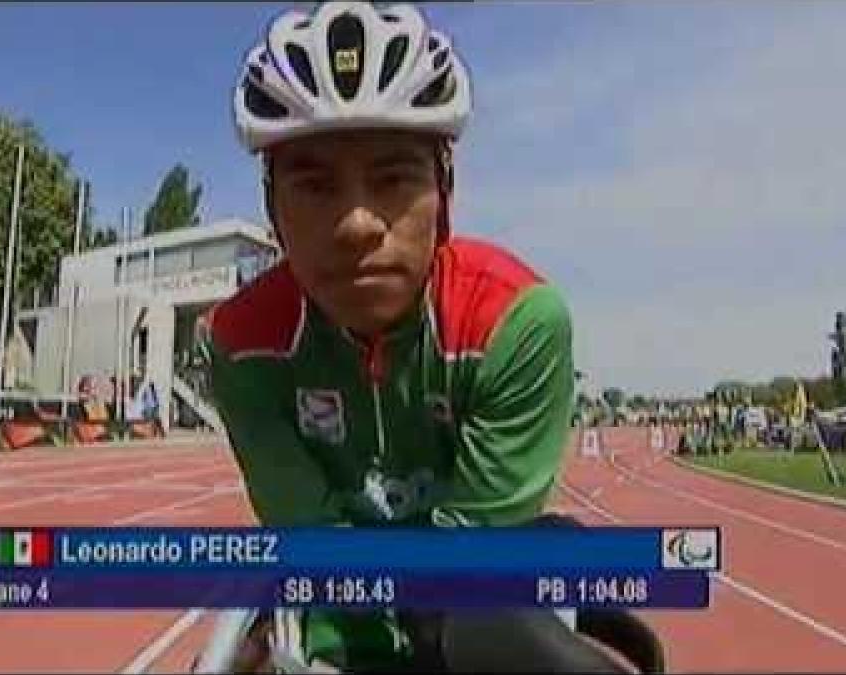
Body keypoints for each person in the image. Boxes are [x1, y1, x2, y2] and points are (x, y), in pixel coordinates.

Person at [202, 2, 659, 672]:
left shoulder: (517, 323)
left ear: (445, 191)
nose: (357, 222)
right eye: (314, 183)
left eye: (392, 178)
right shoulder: (240, 342)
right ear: (272, 209)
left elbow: (457, 577)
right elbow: (315, 545)